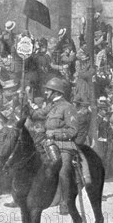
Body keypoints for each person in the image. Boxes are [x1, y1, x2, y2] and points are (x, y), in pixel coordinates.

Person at [27, 77, 79, 215]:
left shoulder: (68, 107)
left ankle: (65, 202)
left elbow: (73, 131)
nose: (45, 92)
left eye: (48, 90)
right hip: (48, 144)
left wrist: (53, 133)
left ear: (55, 92)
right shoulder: (51, 106)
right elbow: (36, 114)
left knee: (63, 170)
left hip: (64, 145)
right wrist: (25, 100)